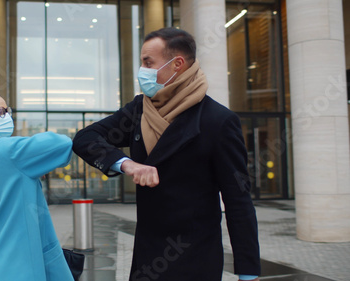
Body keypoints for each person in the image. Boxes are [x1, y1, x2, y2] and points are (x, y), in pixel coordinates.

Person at [72, 28, 261, 280]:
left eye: (148, 62)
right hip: (147, 256)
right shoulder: (139, 110)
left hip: (195, 258)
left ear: (177, 64)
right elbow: (85, 138)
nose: (142, 70)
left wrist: (247, 272)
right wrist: (127, 164)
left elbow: (238, 201)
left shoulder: (218, 121)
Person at [0, 90, 74, 281]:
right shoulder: (5, 151)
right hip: (23, 269)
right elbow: (61, 143)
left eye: (8, 111)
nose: (7, 117)